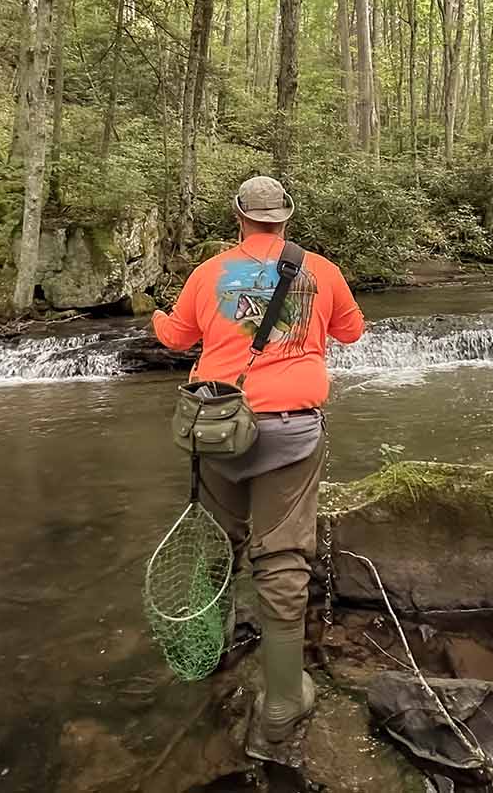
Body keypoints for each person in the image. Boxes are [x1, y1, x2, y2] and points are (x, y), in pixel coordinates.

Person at [151, 175, 365, 761]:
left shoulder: (208, 273)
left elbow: (177, 338)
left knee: (219, 542)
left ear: (239, 216)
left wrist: (157, 318)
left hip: (219, 427)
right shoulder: (321, 271)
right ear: (286, 217)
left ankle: (212, 648)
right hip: (292, 432)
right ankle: (283, 699)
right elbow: (352, 332)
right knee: (283, 555)